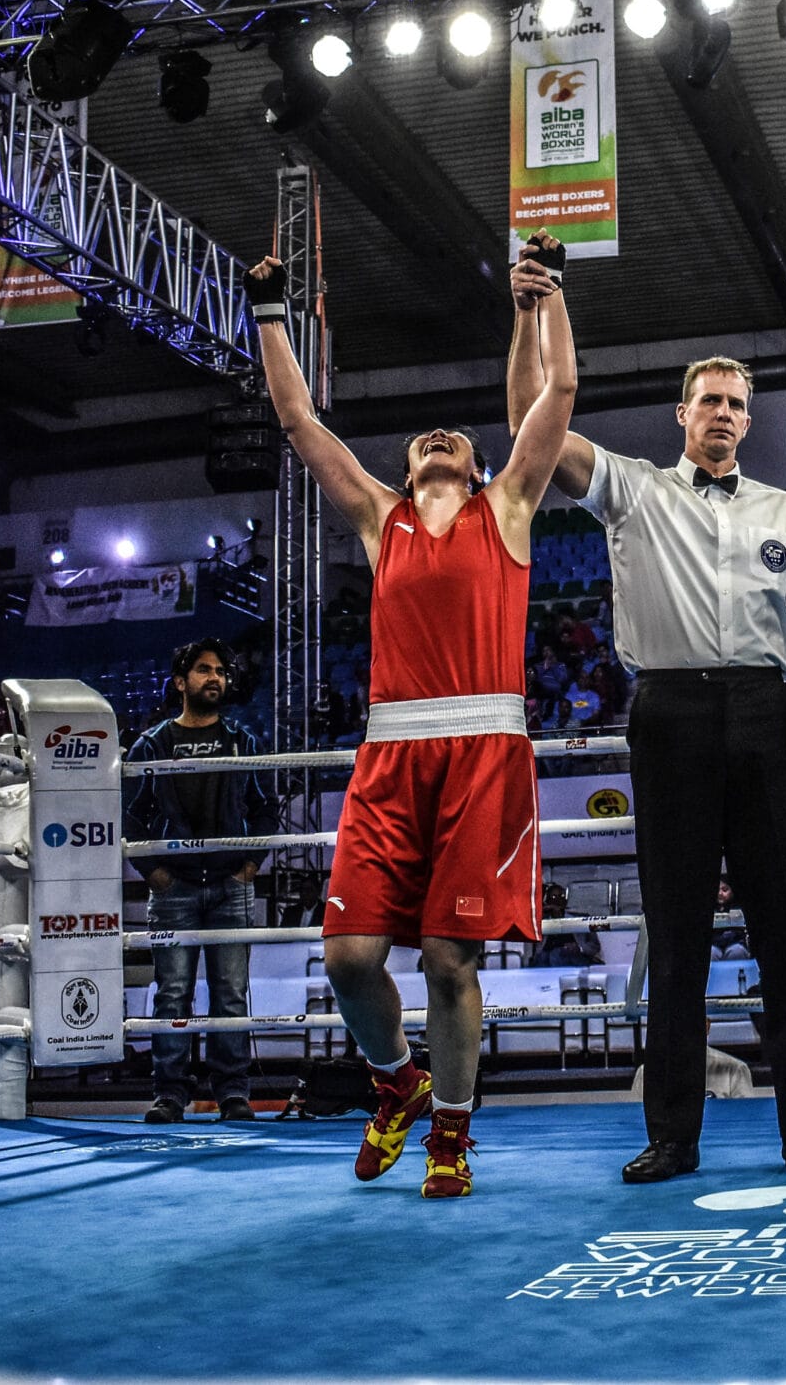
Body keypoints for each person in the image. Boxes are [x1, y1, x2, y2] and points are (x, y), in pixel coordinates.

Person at [506, 333, 786, 1186]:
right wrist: (532, 316)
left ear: (748, 421)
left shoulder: (782, 511)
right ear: (681, 414)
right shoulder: (633, 490)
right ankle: (673, 1138)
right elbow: (530, 428)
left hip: (765, 712)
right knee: (677, 937)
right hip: (670, 710)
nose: (722, 413)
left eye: (735, 402)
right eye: (709, 400)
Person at [250, 241, 578, 1200]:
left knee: (447, 958)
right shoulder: (376, 517)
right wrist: (271, 315)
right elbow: (299, 418)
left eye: (455, 437)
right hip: (391, 751)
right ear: (405, 465)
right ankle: (397, 1081)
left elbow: (557, 394)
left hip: (483, 749)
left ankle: (453, 1131)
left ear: (478, 464)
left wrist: (544, 298)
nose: (439, 436)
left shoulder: (509, 505)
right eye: (424, 438)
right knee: (350, 956)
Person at [125, 637, 278, 1127]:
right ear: (180, 682)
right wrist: (157, 873)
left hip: (231, 885)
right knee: (173, 994)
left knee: (230, 993)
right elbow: (129, 818)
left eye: (220, 671)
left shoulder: (242, 742)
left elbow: (265, 809)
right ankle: (170, 1095)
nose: (215, 678)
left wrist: (249, 866)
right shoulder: (152, 746)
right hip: (176, 890)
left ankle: (232, 1093)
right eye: (204, 670)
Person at [531, 883, 603, 968]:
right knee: (547, 956)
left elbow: (595, 946)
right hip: (546, 961)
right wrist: (543, 910)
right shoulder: (540, 921)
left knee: (556, 954)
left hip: (574, 959)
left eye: (561, 896)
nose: (558, 900)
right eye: (553, 897)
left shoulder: (581, 919)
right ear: (547, 902)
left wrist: (579, 948)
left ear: (565, 900)